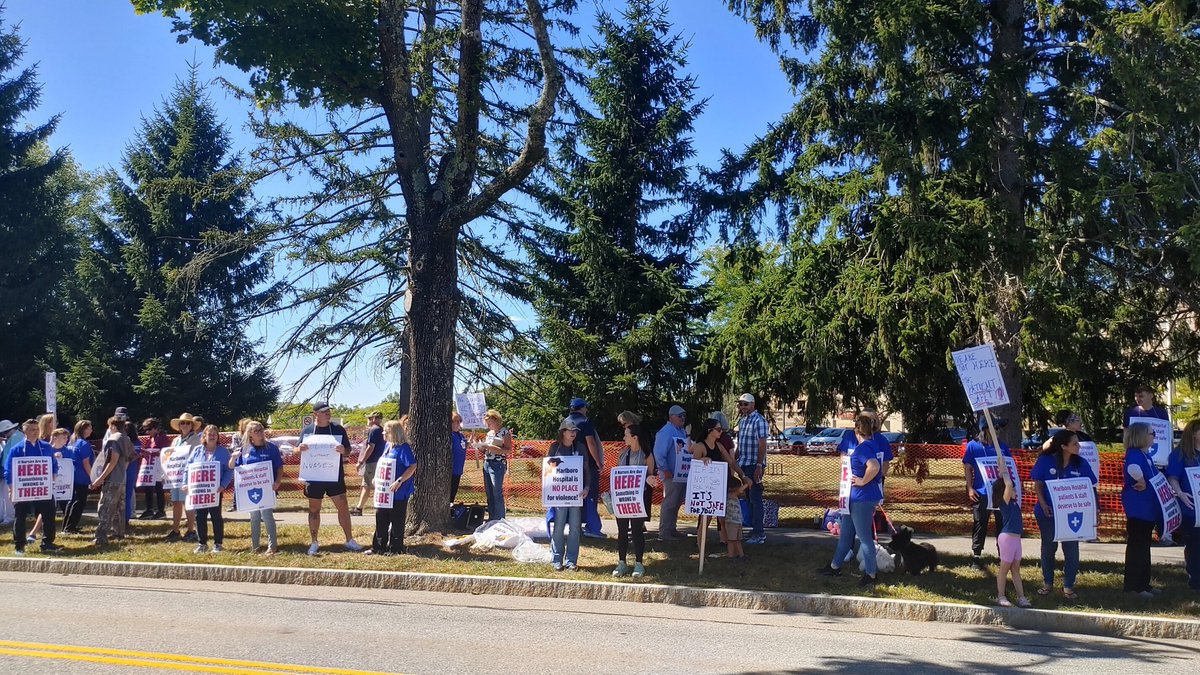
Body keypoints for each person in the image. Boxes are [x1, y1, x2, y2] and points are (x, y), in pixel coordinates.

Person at [818, 414, 884, 585]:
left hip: (861, 499)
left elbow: (874, 466)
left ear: (856, 431)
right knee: (846, 534)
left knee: (864, 538)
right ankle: (834, 566)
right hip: (854, 498)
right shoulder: (872, 445)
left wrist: (862, 481)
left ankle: (871, 575)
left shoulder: (863, 449)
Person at [1030, 429, 1096, 600]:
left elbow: (1090, 487)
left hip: (1072, 515)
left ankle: (1068, 586)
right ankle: (1047, 583)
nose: (1079, 446)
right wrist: (1043, 505)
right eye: (1074, 443)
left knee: (1071, 549)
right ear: (1063, 446)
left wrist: (1095, 510)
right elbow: (1038, 484)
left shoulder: (1081, 463)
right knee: (1049, 547)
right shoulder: (1045, 460)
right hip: (1048, 513)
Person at [297, 402, 364, 555]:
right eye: (324, 411)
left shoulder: (338, 429)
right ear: (315, 414)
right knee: (314, 509)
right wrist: (299, 449)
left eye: (328, 411)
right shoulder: (307, 431)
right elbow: (296, 449)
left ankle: (349, 540)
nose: (328, 413)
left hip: (334, 475)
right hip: (313, 476)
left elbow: (348, 450)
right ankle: (314, 542)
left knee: (343, 507)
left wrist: (344, 450)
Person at [1124, 384, 1174, 545]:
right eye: (1136, 396)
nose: (1138, 399)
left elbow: (1166, 434)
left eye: (1142, 395)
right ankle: (1140, 529)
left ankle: (1165, 532)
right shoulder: (1131, 413)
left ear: (1151, 396)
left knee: (1162, 495)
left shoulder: (1160, 413)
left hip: (1158, 459)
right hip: (1142, 457)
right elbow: (1127, 434)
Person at [3, 419, 61, 554]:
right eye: (31, 430)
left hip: (43, 489)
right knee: (20, 516)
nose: (35, 432)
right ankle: (19, 546)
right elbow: (8, 470)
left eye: (37, 429)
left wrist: (52, 478)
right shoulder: (16, 449)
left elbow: (54, 465)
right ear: (25, 432)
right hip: (22, 490)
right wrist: (11, 488)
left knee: (49, 514)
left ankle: (47, 543)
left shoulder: (46, 447)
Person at [962, 417, 1013, 569]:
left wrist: (1012, 487)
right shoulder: (973, 446)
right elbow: (967, 467)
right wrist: (970, 488)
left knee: (1002, 523)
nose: (998, 431)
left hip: (1000, 492)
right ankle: (976, 556)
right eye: (995, 427)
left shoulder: (1002, 446)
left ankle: (1003, 555)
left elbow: (1009, 467)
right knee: (980, 523)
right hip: (981, 492)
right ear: (985, 429)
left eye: (998, 428)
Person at [1122, 422, 1163, 597]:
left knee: (1144, 546)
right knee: (1138, 547)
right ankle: (1134, 587)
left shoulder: (1144, 454)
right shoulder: (1135, 454)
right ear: (1141, 436)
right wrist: (1141, 480)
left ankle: (1144, 584)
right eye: (1152, 433)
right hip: (1138, 508)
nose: (1154, 436)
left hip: (1147, 508)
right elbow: (1132, 468)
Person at [230, 421, 283, 555]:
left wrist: (278, 481)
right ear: (250, 434)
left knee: (267, 515)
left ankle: (272, 547)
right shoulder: (244, 449)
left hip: (267, 488)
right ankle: (255, 547)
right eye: (256, 431)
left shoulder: (271, 448)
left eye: (261, 430)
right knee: (254, 517)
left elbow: (279, 466)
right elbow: (233, 467)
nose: (260, 433)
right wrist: (233, 458)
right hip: (250, 490)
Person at [367, 420, 418, 555]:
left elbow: (412, 466)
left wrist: (399, 481)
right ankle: (378, 547)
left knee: (397, 520)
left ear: (394, 433)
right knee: (381, 518)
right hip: (384, 493)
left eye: (386, 431)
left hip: (398, 493)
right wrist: (376, 478)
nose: (383, 433)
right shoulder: (387, 446)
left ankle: (395, 549)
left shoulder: (403, 448)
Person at [548, 418, 592, 571]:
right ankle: (556, 559)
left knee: (575, 527)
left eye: (575, 431)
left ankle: (571, 560)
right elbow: (548, 471)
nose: (573, 433)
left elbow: (586, 469)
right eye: (570, 430)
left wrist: (587, 487)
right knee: (559, 526)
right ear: (563, 432)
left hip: (576, 494)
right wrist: (549, 491)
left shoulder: (580, 447)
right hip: (560, 495)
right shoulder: (554, 447)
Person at [612, 424, 655, 578]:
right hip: (623, 499)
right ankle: (621, 563)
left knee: (637, 531)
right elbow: (618, 474)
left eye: (626, 435)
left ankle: (639, 563)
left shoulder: (647, 455)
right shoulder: (623, 453)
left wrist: (649, 479)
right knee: (622, 530)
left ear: (635, 437)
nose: (624, 437)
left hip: (638, 500)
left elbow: (651, 476)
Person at [186, 425, 233, 553]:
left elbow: (229, 470)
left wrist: (223, 485)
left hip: (216, 491)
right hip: (199, 491)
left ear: (217, 437)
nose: (212, 436)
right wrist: (186, 484)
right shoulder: (197, 450)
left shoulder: (223, 452)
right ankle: (202, 544)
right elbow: (188, 468)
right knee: (200, 516)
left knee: (216, 516)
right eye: (209, 434)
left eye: (214, 434)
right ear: (204, 436)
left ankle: (218, 544)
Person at [1166, 419, 1200, 591]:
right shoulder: (1180, 455)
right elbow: (1172, 478)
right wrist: (1180, 493)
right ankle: (1195, 579)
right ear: (1193, 434)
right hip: (1191, 507)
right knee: (1195, 543)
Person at [90, 416, 136, 546]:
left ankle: (101, 536)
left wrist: (100, 478)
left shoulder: (113, 440)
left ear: (113, 426)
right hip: (122, 478)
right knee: (119, 508)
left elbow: (112, 461)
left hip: (112, 479)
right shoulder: (126, 438)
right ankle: (119, 532)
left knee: (105, 507)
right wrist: (122, 471)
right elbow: (130, 458)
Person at [993, 455, 1029, 607]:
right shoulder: (1005, 501)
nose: (1014, 489)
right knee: (1004, 568)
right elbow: (1007, 484)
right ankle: (1001, 596)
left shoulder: (1013, 503)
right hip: (1007, 537)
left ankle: (1021, 597)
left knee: (1015, 569)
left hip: (1016, 539)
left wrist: (1002, 470)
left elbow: (1008, 484)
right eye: (1012, 488)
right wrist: (1003, 470)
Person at [566, 398, 605, 539]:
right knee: (590, 495)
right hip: (587, 465)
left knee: (574, 496)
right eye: (586, 407)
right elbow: (591, 443)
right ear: (582, 408)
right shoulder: (585, 422)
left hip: (570, 465)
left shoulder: (565, 422)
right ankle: (592, 528)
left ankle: (575, 525)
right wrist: (598, 461)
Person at [735, 393, 770, 544]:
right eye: (741, 404)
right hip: (743, 463)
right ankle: (754, 529)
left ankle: (759, 533)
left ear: (753, 405)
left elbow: (762, 444)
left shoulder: (759, 420)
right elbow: (740, 443)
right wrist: (734, 459)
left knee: (755, 498)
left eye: (746, 404)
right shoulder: (742, 421)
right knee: (749, 498)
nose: (743, 407)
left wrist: (759, 465)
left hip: (754, 464)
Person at [162, 412, 201, 543]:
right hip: (175, 475)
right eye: (182, 423)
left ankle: (191, 530)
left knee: (187, 503)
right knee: (176, 502)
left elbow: (195, 457)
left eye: (187, 423)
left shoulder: (195, 439)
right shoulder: (176, 440)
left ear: (192, 425)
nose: (184, 425)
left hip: (187, 475)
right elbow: (170, 457)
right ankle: (175, 529)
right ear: (179, 426)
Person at [653, 405, 688, 540]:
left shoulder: (681, 431)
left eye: (684, 416)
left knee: (677, 502)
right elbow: (658, 453)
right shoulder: (666, 431)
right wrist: (664, 469)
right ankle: (664, 532)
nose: (682, 418)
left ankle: (672, 528)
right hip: (670, 474)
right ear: (671, 417)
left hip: (680, 474)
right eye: (679, 416)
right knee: (670, 502)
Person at [476, 409, 511, 521]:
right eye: (487, 423)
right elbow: (486, 450)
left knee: (497, 492)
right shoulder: (489, 433)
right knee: (489, 493)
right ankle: (492, 518)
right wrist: (480, 447)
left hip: (498, 464)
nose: (488, 425)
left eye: (489, 423)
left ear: (496, 420)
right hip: (487, 463)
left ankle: (500, 519)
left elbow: (508, 450)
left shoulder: (505, 432)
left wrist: (492, 448)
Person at [62, 420, 95, 534]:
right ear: (84, 429)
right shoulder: (84, 444)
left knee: (71, 501)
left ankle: (66, 526)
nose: (91, 430)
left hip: (72, 475)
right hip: (82, 476)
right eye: (89, 428)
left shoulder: (71, 442)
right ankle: (70, 528)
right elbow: (86, 463)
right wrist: (92, 477)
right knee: (79, 502)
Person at [353, 411, 386, 516]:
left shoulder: (373, 430)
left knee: (374, 485)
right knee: (366, 486)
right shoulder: (381, 430)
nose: (368, 420)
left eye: (369, 418)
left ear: (374, 419)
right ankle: (359, 508)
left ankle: (380, 509)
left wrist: (361, 461)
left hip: (372, 462)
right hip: (377, 461)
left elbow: (370, 447)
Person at [138, 418, 169, 520]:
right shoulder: (149, 439)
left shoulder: (162, 438)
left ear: (156, 428)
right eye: (146, 430)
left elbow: (166, 452)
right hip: (150, 467)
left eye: (149, 429)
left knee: (159, 488)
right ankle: (149, 509)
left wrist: (153, 453)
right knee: (148, 488)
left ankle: (161, 511)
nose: (147, 432)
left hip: (159, 467)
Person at [0, 419, 21, 526]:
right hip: (10, 470)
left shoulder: (15, 438)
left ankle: (9, 517)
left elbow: (9, 456)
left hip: (10, 470)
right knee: (5, 495)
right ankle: (6, 516)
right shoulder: (16, 436)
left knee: (7, 495)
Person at [725, 474, 747, 560]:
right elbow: (740, 490)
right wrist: (747, 484)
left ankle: (741, 555)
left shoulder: (734, 496)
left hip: (737, 521)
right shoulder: (730, 495)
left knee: (737, 539)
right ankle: (730, 556)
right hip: (731, 522)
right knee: (731, 539)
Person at [450, 412, 467, 503]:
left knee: (453, 493)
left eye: (459, 421)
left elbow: (464, 446)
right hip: (450, 471)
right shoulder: (449, 435)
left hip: (458, 470)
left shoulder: (461, 435)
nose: (458, 424)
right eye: (455, 421)